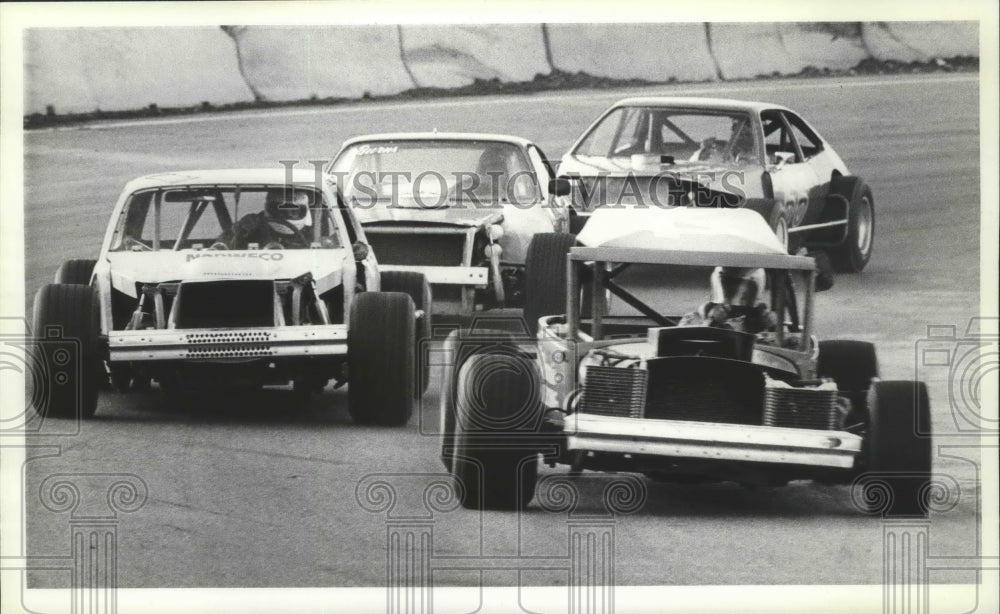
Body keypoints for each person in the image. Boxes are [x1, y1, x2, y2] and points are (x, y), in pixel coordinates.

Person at [679, 267, 777, 334]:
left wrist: (767, 324)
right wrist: (711, 321)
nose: (735, 298)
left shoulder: (757, 322)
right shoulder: (694, 318)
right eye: (730, 289)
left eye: (744, 293)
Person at [213, 189, 314, 249]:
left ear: (303, 211)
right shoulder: (252, 224)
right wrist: (240, 231)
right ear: (271, 209)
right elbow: (221, 246)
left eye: (294, 212)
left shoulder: (310, 233)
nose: (287, 215)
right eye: (282, 211)